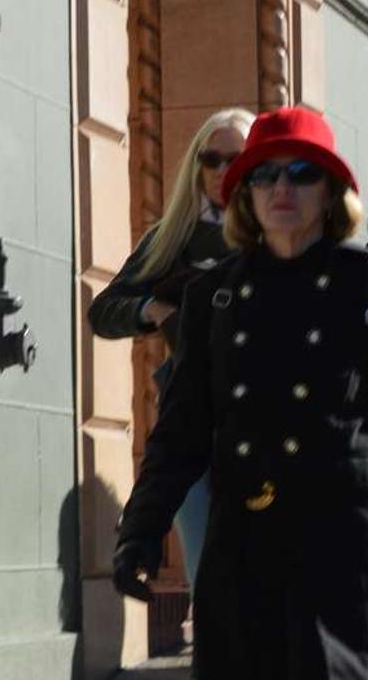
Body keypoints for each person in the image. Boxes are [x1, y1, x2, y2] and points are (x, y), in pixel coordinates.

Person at [112, 106, 368, 680]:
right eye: (264, 174)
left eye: (302, 173)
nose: (282, 187)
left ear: (330, 193)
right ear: (245, 196)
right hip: (244, 543)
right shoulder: (214, 295)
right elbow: (181, 431)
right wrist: (141, 531)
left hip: (342, 546)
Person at [89, 107, 253, 586]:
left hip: (266, 419)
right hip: (192, 417)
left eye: (235, 159)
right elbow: (104, 310)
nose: (222, 171)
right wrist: (152, 310)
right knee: (206, 569)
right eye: (211, 159)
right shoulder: (174, 236)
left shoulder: (279, 235)